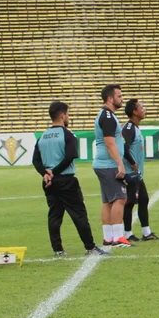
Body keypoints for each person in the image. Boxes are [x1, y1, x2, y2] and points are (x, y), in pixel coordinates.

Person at [32, 101, 109, 257]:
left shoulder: (42, 137)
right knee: (79, 213)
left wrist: (45, 174)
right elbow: (71, 155)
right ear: (62, 115)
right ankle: (90, 247)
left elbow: (36, 160)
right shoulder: (67, 134)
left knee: (54, 215)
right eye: (67, 114)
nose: (68, 117)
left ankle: (58, 250)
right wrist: (55, 171)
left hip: (49, 182)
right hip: (65, 179)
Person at [93, 84, 131, 248]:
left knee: (108, 201)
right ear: (110, 98)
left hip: (102, 163)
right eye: (119, 96)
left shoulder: (106, 115)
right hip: (108, 164)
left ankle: (109, 237)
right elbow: (110, 143)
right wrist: (120, 164)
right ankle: (118, 237)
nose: (122, 99)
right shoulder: (108, 117)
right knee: (120, 199)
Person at [121, 99, 159, 242]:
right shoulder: (128, 128)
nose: (143, 110)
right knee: (130, 202)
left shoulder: (135, 128)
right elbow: (123, 147)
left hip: (137, 174)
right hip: (129, 173)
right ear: (134, 112)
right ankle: (127, 233)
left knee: (143, 199)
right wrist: (132, 163)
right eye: (141, 107)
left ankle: (146, 233)